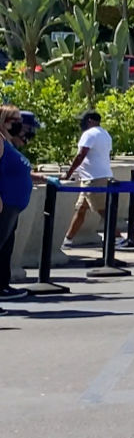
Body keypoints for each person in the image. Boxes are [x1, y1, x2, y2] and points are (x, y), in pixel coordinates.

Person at [59, 110, 113, 251]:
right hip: (96, 176)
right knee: (81, 209)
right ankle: (68, 240)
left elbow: (81, 155)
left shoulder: (89, 134)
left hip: (93, 179)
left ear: (89, 120)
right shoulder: (105, 134)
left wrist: (69, 173)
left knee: (103, 211)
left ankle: (118, 238)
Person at [0, 106, 34, 305]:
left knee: (5, 250)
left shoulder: (9, 143)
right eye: (15, 120)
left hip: (14, 205)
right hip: (5, 204)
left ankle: (2, 287)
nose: (20, 124)